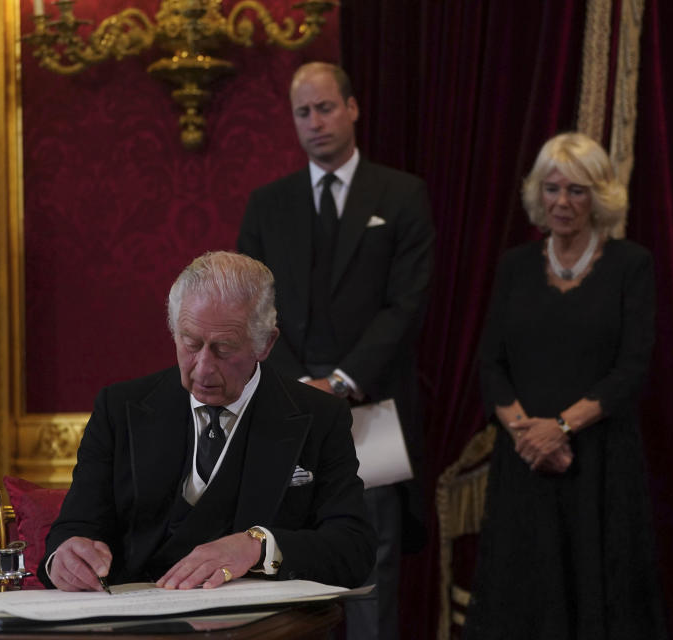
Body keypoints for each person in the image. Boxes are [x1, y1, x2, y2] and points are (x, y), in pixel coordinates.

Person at [38, 251, 376, 592]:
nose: (202, 368)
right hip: (137, 618)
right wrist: (64, 558)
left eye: (223, 348)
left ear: (266, 343)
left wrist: (258, 547)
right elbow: (75, 527)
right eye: (190, 342)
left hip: (259, 625)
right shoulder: (119, 408)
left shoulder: (319, 416)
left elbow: (354, 550)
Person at [237, 62, 434, 640]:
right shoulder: (268, 205)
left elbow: (407, 305)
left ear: (352, 108)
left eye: (326, 108)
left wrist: (342, 383)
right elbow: (250, 310)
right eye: (304, 112)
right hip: (286, 413)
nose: (316, 122)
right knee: (282, 569)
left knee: (373, 570)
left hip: (370, 415)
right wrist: (302, 388)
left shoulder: (401, 194)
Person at [464, 132, 666, 639]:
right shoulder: (514, 266)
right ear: (537, 193)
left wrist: (561, 428)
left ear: (598, 196)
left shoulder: (631, 265)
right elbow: (490, 363)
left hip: (599, 463)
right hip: (525, 461)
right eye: (552, 188)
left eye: (577, 190)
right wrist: (527, 436)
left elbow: (632, 368)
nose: (562, 202)